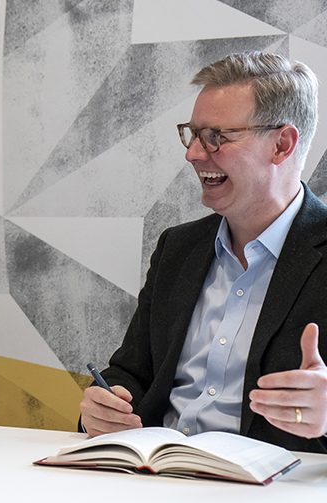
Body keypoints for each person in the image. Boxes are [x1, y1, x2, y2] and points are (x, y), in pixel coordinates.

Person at [79, 51, 327, 453]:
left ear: (282, 144)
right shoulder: (178, 248)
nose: (193, 153)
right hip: (153, 474)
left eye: (216, 137)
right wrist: (101, 407)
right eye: (192, 134)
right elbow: (130, 374)